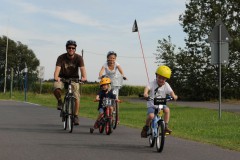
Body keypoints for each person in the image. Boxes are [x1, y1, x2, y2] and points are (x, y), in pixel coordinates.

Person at [53, 40, 87, 125]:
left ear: (75, 49)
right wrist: (56, 77)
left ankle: (75, 116)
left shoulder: (79, 58)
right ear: (66, 48)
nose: (71, 49)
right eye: (69, 48)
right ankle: (60, 101)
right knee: (56, 88)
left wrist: (84, 77)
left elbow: (82, 69)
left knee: (76, 96)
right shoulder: (61, 57)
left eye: (73, 48)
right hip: (62, 78)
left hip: (74, 79)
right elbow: (57, 70)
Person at [141, 65, 178, 138]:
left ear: (166, 79)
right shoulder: (152, 83)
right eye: (160, 77)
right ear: (156, 76)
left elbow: (171, 92)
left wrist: (174, 96)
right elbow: (147, 88)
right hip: (152, 104)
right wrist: (145, 94)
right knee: (151, 116)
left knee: (167, 110)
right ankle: (146, 127)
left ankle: (165, 126)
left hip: (161, 104)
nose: (161, 80)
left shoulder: (166, 85)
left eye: (163, 79)